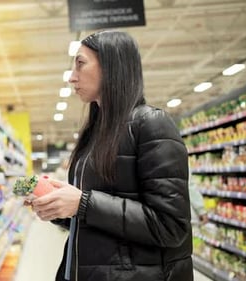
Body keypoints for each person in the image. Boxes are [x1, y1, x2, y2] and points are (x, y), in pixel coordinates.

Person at [29, 31, 193, 281]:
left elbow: (171, 225)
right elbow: (97, 220)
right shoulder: (95, 135)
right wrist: (60, 208)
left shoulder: (151, 124)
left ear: (111, 65)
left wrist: (83, 202)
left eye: (80, 64)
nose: (72, 77)